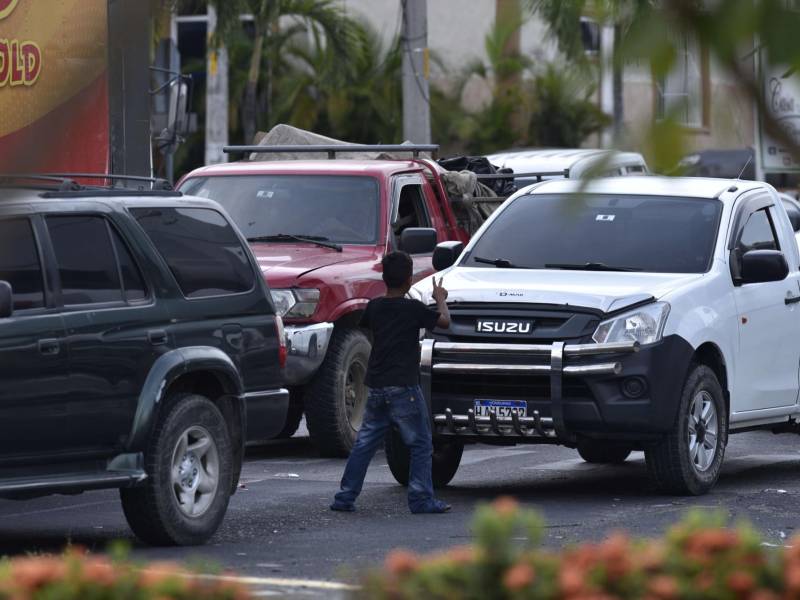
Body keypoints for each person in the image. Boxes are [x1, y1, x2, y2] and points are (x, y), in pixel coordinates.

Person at [330, 251, 452, 514]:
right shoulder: (413, 309)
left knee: (365, 443)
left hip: (376, 385)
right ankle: (420, 499)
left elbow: (370, 326)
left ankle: (345, 497)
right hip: (404, 386)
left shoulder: (374, 307)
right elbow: (444, 322)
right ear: (409, 280)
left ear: (384, 278)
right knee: (420, 443)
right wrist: (440, 299)